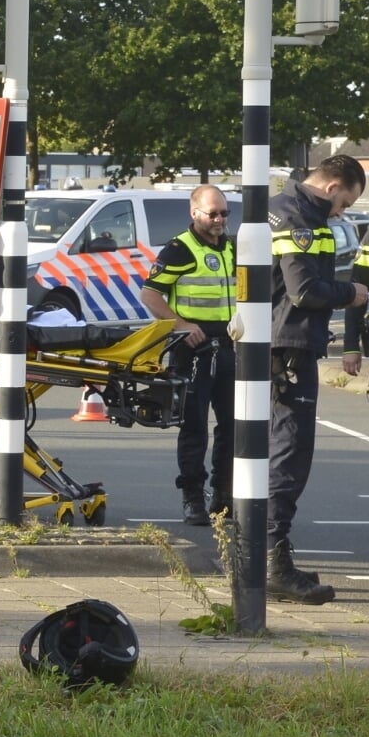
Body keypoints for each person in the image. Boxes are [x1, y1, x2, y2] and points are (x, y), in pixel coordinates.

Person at [266, 155, 369, 604]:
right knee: (288, 454)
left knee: (270, 451)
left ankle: (261, 555)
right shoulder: (298, 218)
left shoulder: (279, 205)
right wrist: (353, 293)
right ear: (332, 186)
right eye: (345, 201)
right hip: (289, 345)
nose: (343, 211)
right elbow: (303, 289)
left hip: (276, 343)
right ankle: (272, 562)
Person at [138, 186, 235, 527]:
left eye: (224, 213)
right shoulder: (180, 249)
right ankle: (193, 496)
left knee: (233, 425)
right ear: (195, 213)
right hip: (193, 350)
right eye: (213, 214)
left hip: (229, 346)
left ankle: (223, 495)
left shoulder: (232, 247)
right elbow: (150, 294)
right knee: (194, 426)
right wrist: (180, 325)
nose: (220, 219)